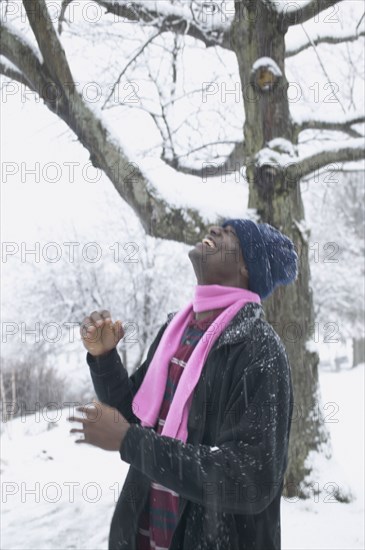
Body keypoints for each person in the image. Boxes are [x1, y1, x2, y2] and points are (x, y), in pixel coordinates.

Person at [69, 218, 297, 550]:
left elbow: (250, 479)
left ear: (248, 267)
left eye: (231, 233)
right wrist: (105, 359)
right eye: (220, 226)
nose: (216, 229)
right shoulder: (175, 330)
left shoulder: (258, 349)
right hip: (144, 536)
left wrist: (130, 442)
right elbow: (134, 418)